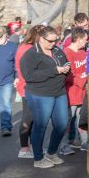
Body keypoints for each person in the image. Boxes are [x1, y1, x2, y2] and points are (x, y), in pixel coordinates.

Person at [20, 26, 71, 169]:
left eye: (56, 40)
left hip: (59, 92)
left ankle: (51, 153)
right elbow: (29, 76)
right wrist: (54, 71)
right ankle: (38, 158)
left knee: (61, 124)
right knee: (40, 125)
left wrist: (66, 70)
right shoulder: (30, 54)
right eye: (50, 41)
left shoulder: (57, 51)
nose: (53, 43)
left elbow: (66, 64)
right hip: (40, 94)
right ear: (41, 39)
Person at [14, 25, 44, 159]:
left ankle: (32, 146)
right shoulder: (27, 49)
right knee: (28, 118)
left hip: (34, 87)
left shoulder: (29, 48)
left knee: (34, 119)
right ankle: (24, 148)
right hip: (28, 87)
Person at [61, 27, 89, 154]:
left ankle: (83, 142)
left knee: (81, 119)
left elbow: (86, 69)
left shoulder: (83, 52)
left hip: (82, 93)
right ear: (78, 39)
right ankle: (63, 145)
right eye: (85, 40)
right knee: (68, 119)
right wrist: (83, 82)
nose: (86, 42)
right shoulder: (67, 53)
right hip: (72, 93)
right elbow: (69, 75)